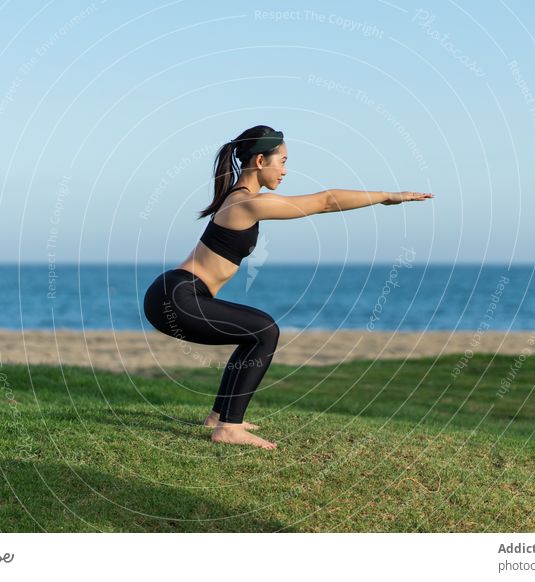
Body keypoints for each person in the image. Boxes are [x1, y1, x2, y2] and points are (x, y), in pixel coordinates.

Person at [143, 125, 433, 449]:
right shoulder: (247, 204)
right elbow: (325, 201)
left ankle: (219, 416)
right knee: (265, 331)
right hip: (178, 296)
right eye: (281, 160)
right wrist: (387, 197)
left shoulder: (239, 198)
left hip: (173, 294)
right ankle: (228, 427)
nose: (285, 169)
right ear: (260, 161)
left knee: (252, 333)